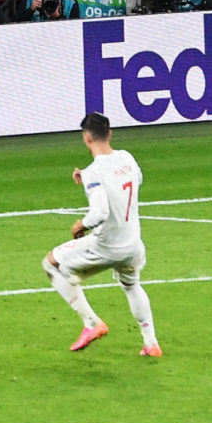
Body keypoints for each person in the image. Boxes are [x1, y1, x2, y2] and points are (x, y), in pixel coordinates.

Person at [43, 112, 161, 357]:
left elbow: (100, 212)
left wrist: (80, 225)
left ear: (86, 139)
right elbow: (135, 180)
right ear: (110, 134)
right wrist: (86, 176)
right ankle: (151, 344)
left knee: (51, 264)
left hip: (107, 246)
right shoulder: (126, 158)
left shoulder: (94, 172)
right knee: (132, 285)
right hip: (132, 245)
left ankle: (91, 323)